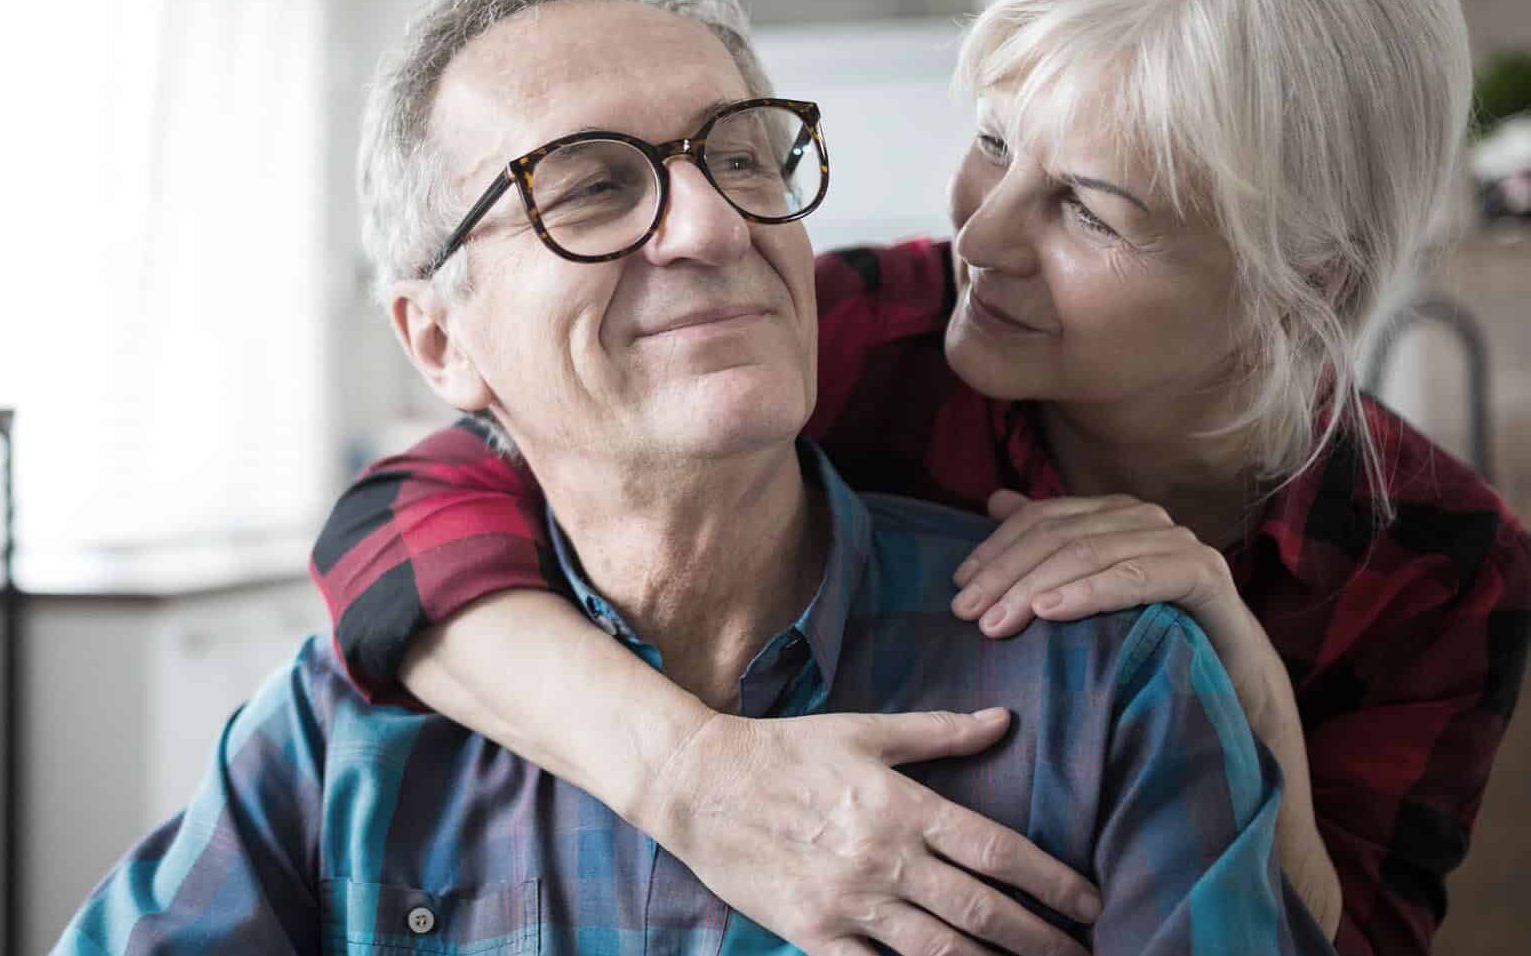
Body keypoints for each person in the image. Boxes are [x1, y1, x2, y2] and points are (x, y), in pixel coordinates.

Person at [51, 1, 1338, 953]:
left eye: (742, 154)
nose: (716, 224)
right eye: (592, 187)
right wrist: (687, 770)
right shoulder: (343, 730)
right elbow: (385, 521)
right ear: (438, 338)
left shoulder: (1113, 683)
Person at [308, 0, 1531, 953]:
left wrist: (1252, 697)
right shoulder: (858, 336)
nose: (982, 236)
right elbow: (396, 518)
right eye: (992, 144)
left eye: (1086, 211)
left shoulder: (1437, 561)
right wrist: (685, 775)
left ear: (1302, 284)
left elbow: (1354, 940)